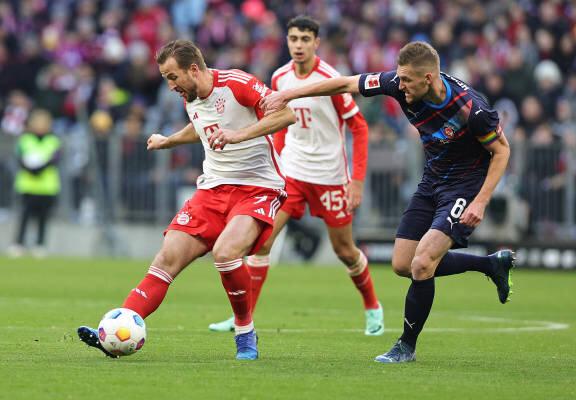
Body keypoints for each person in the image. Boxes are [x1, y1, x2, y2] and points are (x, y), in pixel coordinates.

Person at [259, 41, 515, 363]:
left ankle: (406, 347)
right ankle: (490, 264)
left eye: (407, 80)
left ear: (429, 78)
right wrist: (288, 94)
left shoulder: (472, 110)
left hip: (464, 188)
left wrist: (480, 201)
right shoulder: (398, 83)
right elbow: (345, 83)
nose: (400, 85)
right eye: (399, 78)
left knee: (422, 264)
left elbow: (502, 151)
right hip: (431, 182)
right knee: (403, 264)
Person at [77, 39, 296, 361]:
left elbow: (286, 115)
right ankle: (117, 328)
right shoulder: (189, 95)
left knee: (225, 253)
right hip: (211, 190)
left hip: (257, 188)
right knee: (166, 259)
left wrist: (238, 135)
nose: (169, 85)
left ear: (193, 69)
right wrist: (170, 141)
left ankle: (245, 332)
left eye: (172, 76)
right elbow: (201, 127)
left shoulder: (237, 83)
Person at [208, 16, 384, 336]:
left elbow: (358, 126)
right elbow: (278, 123)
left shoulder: (331, 79)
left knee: (344, 250)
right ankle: (242, 318)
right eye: (293, 39)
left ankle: (372, 306)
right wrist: (273, 163)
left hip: (330, 175)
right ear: (286, 42)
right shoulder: (279, 76)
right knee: (262, 242)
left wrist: (356, 180)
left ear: (317, 43)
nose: (298, 45)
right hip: (292, 172)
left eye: (305, 39)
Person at [7, 109, 61, 259]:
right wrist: (31, 169)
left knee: (43, 217)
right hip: (27, 186)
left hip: (47, 187)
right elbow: (19, 158)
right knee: (24, 216)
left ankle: (40, 244)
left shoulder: (53, 141)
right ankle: (19, 244)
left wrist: (39, 168)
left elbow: (55, 159)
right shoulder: (25, 140)